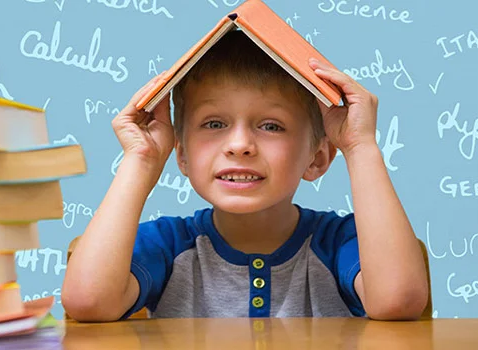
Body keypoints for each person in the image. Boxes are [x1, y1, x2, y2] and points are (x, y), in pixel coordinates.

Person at [61, 30, 429, 321]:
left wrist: (360, 146)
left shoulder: (341, 242)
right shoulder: (168, 245)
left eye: (271, 126)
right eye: (214, 123)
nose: (240, 144)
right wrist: (140, 160)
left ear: (317, 158)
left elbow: (397, 300)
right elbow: (88, 302)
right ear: (183, 155)